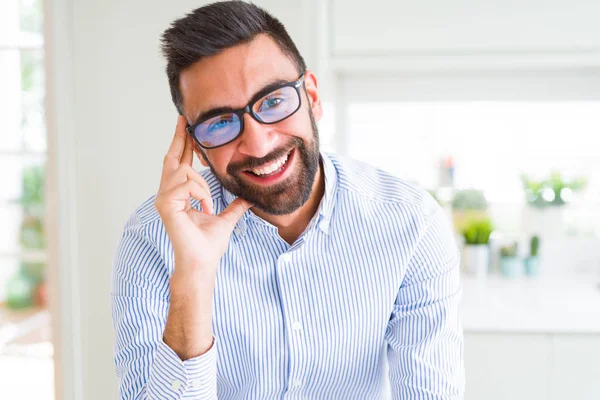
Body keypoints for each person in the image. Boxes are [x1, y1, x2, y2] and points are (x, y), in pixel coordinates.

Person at [112, 1, 464, 399]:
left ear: (311, 96)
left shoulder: (410, 223)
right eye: (220, 122)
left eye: (273, 101)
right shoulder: (153, 237)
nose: (258, 143)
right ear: (196, 145)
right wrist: (193, 274)